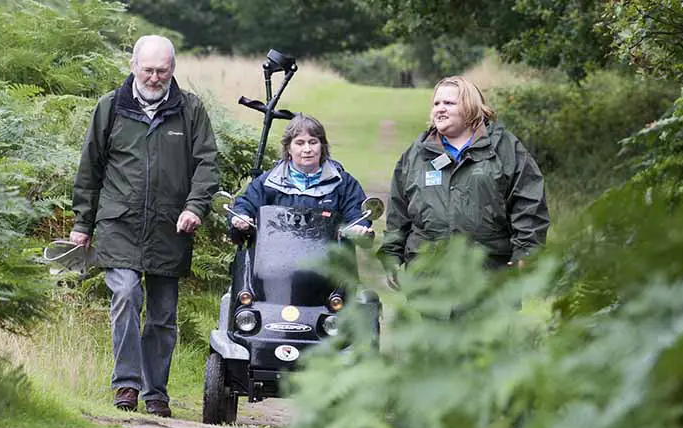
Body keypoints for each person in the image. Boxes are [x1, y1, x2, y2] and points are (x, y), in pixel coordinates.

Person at [70, 35, 219, 418]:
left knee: (163, 316)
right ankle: (126, 384)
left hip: (171, 228)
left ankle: (156, 393)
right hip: (119, 223)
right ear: (133, 66)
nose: (154, 77)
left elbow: (207, 165)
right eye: (148, 69)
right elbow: (90, 170)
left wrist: (194, 207)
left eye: (162, 71)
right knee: (125, 293)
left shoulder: (191, 111)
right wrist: (81, 224)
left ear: (173, 70)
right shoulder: (110, 108)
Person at [378, 76, 549, 286]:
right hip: (430, 280)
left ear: (470, 107)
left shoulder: (504, 148)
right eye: (436, 103)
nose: (440, 109)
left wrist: (526, 251)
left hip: (488, 277)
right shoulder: (417, 154)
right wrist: (392, 256)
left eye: (449, 103)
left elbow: (528, 203)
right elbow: (398, 212)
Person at [229, 114, 372, 236]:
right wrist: (241, 217)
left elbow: (356, 213)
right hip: (275, 261)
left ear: (322, 147)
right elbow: (245, 204)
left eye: (313, 142)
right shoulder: (268, 182)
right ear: (288, 148)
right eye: (300, 143)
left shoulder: (343, 183)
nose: (307, 149)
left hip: (329, 263)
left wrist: (358, 227)